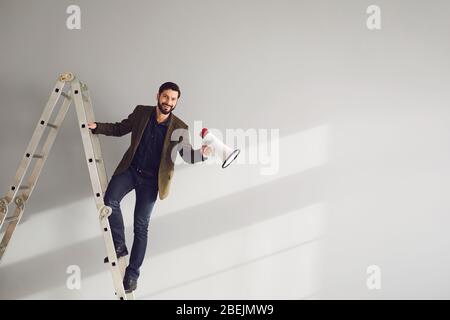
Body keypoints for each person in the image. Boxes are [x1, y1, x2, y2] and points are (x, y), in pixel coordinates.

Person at [88, 82, 211, 293]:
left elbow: (186, 155)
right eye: (165, 97)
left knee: (140, 227)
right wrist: (97, 127)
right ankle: (119, 245)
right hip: (131, 170)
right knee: (110, 201)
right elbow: (120, 128)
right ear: (158, 96)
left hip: (152, 181)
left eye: (173, 99)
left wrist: (202, 154)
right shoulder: (141, 113)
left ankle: (132, 275)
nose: (168, 102)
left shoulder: (179, 127)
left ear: (176, 101)